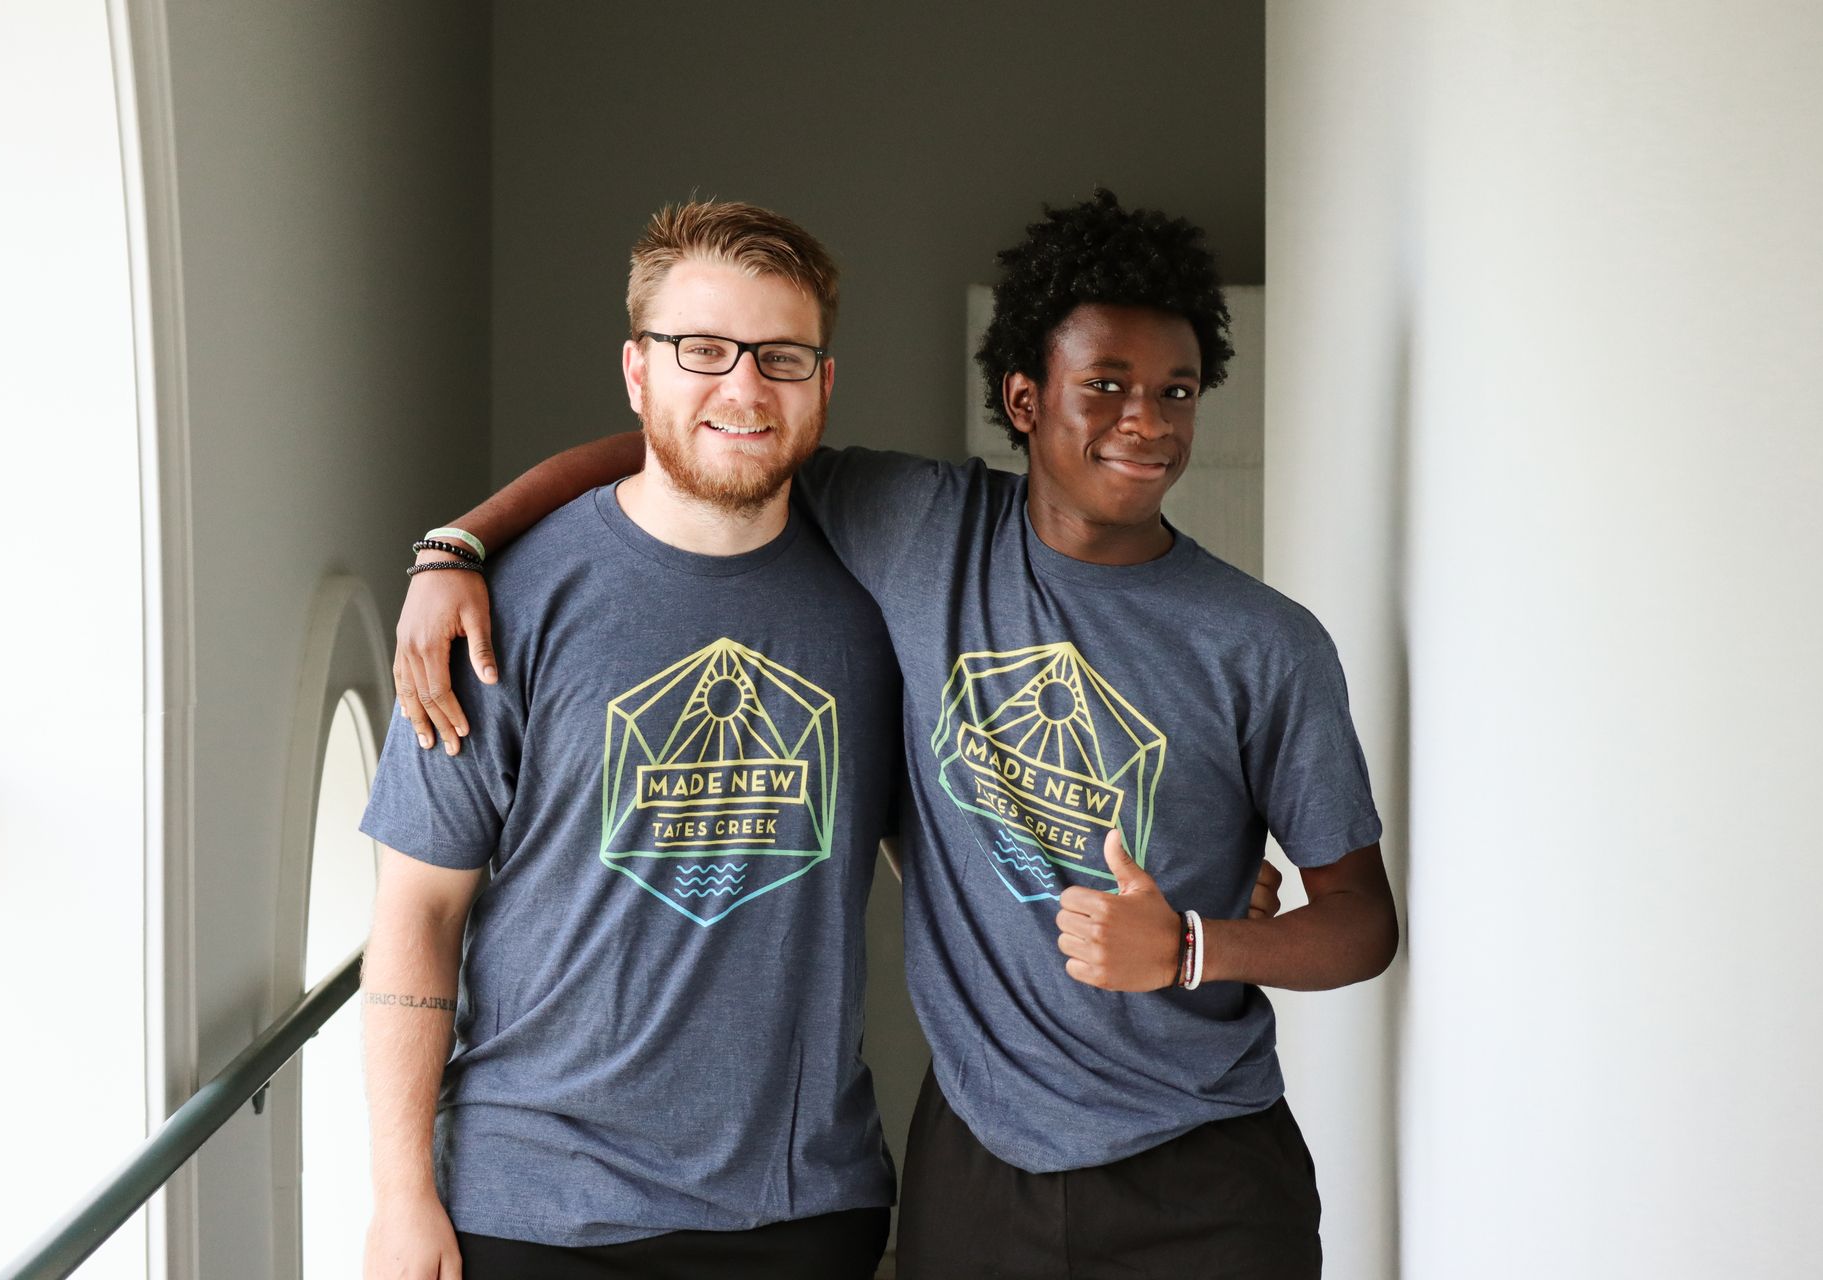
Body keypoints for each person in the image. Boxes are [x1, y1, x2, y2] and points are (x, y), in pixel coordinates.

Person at [393, 190, 1383, 1279]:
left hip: (1192, 1166)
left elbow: (1361, 921)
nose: (1145, 420)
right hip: (967, 1158)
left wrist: (1199, 941)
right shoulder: (915, 531)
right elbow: (693, 445)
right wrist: (458, 543)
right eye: (1106, 385)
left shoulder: (1264, 641)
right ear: (1023, 395)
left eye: (1175, 391)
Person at [358, 200, 905, 1280]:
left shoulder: (885, 589)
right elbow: (418, 909)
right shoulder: (498, 606)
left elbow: (958, 830)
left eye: (782, 356)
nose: (744, 387)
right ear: (637, 371)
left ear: (824, 383)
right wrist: (400, 1196)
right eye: (702, 350)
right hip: (532, 1204)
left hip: (803, 1209)